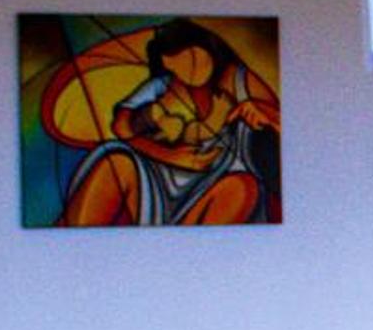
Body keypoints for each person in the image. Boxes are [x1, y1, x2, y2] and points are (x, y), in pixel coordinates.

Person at [54, 18, 278, 225]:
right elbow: (120, 127)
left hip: (218, 177)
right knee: (115, 162)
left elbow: (284, 124)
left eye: (193, 59)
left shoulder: (239, 79)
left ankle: (180, 249)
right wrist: (170, 156)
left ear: (208, 48)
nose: (188, 73)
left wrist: (263, 111)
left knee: (241, 188)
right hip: (158, 174)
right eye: (176, 67)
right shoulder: (163, 85)